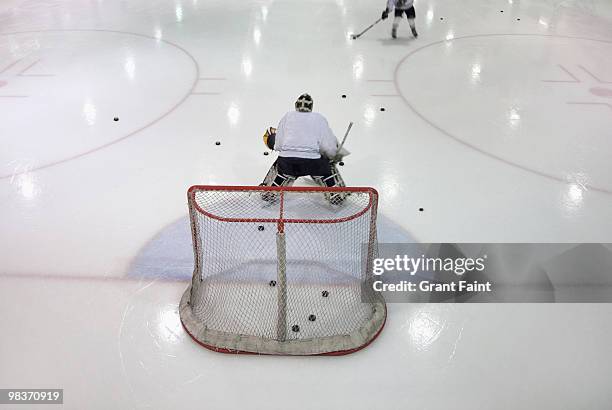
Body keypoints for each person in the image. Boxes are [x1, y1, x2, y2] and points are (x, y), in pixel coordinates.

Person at [260, 93, 347, 204]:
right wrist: (333, 156)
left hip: (289, 165)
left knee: (280, 165)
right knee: (327, 167)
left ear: (296, 105)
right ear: (311, 107)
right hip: (314, 165)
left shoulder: (287, 116)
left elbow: (279, 145)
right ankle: (335, 194)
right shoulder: (319, 118)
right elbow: (328, 145)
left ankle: (271, 191)